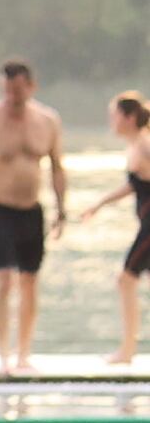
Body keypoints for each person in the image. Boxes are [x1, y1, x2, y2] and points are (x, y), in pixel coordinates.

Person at [0, 61, 70, 375]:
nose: (12, 96)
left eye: (18, 90)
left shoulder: (47, 121)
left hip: (32, 210)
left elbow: (57, 167)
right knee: (4, 280)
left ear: (31, 87)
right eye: (6, 90)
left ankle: (24, 355)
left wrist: (62, 209)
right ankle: (3, 358)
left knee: (30, 282)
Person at [94, 92, 150, 365]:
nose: (111, 121)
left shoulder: (144, 145)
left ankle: (127, 351)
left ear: (128, 118)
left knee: (125, 280)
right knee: (129, 282)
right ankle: (127, 350)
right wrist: (100, 204)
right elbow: (134, 186)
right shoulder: (136, 145)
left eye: (114, 115)